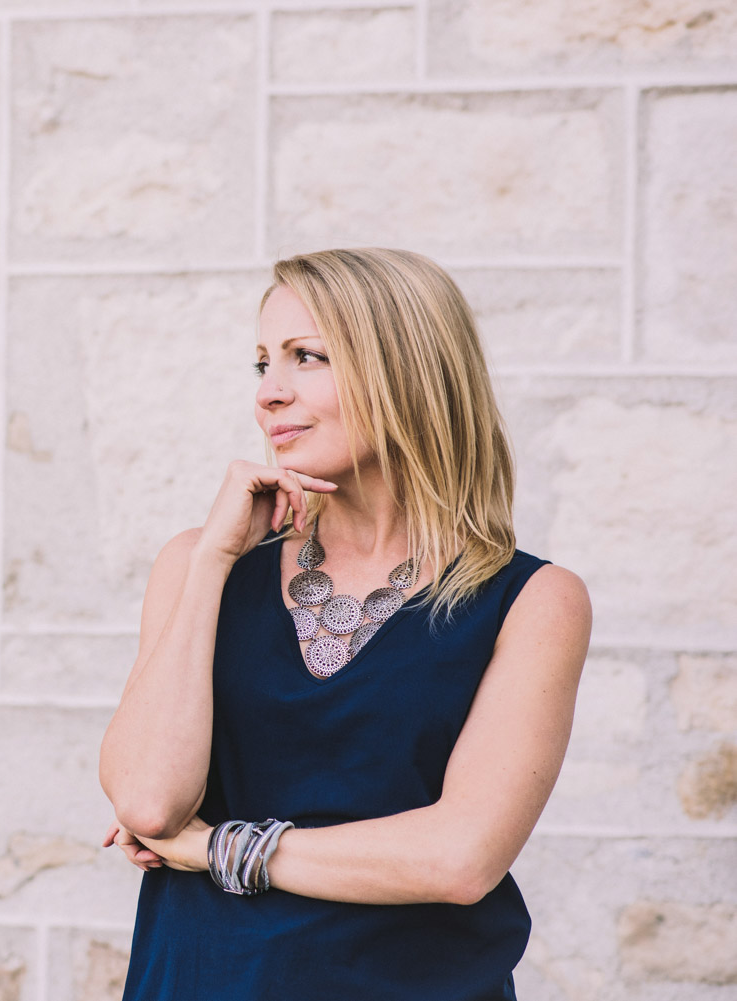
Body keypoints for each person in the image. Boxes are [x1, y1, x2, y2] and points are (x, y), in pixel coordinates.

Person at [97, 247, 592, 1000]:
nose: (269, 393)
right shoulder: (202, 566)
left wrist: (217, 848)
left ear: (408, 370)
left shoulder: (533, 600)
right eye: (262, 363)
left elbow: (459, 858)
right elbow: (147, 803)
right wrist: (214, 561)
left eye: (307, 357)